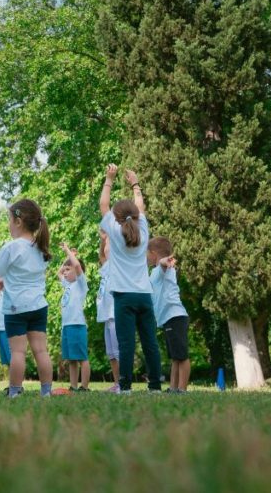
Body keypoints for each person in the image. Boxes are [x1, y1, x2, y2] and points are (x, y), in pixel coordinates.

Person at [99, 164, 162, 393]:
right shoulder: (143, 231)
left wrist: (109, 178)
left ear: (116, 219)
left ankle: (124, 388)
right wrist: (135, 183)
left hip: (123, 297)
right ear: (135, 216)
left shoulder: (115, 234)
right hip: (144, 295)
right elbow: (141, 207)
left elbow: (103, 205)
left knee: (126, 344)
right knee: (150, 344)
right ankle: (155, 387)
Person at [0, 198, 53, 398]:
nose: (8, 224)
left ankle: (14, 391)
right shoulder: (41, 248)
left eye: (9, 220)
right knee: (41, 351)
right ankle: (46, 392)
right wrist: (5, 281)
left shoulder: (12, 247)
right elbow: (26, 275)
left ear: (18, 222)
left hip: (16, 308)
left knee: (18, 352)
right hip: (38, 306)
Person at [147, 237, 190, 393]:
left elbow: (164, 263)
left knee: (182, 355)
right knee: (175, 357)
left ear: (153, 253)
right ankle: (173, 388)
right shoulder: (154, 271)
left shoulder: (162, 268)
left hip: (175, 316)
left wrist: (164, 261)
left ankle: (182, 389)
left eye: (147, 254)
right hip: (168, 318)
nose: (145, 257)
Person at [59, 243, 90, 392]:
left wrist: (68, 252)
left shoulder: (80, 284)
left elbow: (77, 267)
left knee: (82, 358)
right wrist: (67, 258)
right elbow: (59, 272)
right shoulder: (67, 285)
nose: (64, 273)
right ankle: (73, 386)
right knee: (71, 358)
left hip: (77, 325)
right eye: (65, 270)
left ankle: (84, 386)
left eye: (68, 270)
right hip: (66, 326)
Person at [96, 232, 120, 392]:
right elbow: (101, 257)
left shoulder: (118, 265)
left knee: (118, 351)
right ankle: (118, 383)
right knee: (111, 353)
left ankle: (124, 383)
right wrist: (103, 241)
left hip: (115, 314)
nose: (106, 249)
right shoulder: (106, 267)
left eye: (109, 245)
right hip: (106, 316)